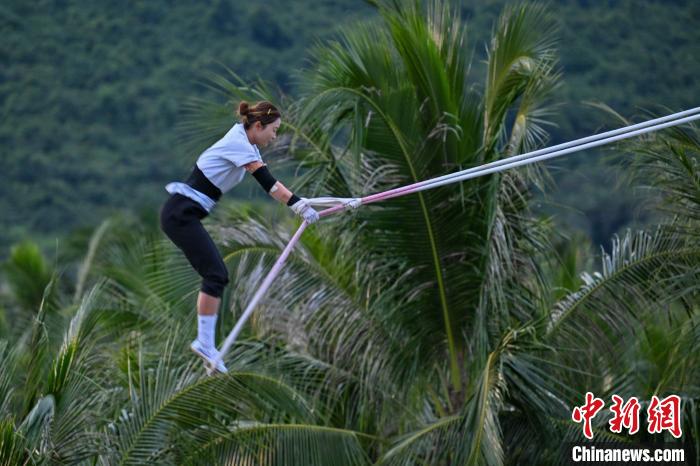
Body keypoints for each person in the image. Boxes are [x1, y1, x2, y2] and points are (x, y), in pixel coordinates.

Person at [159, 100, 320, 373]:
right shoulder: (240, 144)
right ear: (258, 126)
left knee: (216, 274)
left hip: (183, 216)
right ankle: (205, 343)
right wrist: (298, 205)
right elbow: (269, 184)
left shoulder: (247, 144)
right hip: (179, 216)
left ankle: (206, 343)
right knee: (216, 274)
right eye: (274, 130)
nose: (275, 136)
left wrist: (300, 202)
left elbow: (270, 181)